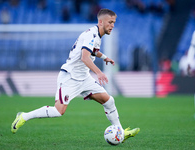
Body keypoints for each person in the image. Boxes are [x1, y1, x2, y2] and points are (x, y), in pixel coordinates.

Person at [11, 8, 140, 143]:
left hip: (84, 78)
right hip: (70, 77)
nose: (112, 25)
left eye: (114, 22)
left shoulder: (96, 35)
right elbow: (85, 57)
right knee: (58, 111)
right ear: (101, 22)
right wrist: (99, 72)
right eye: (110, 22)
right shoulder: (91, 34)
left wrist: (105, 57)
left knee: (109, 101)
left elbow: (93, 51)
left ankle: (120, 131)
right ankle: (24, 116)